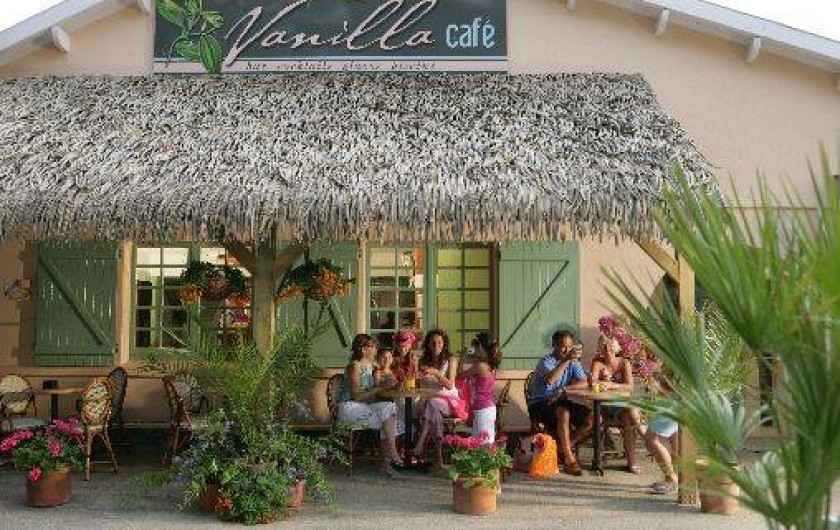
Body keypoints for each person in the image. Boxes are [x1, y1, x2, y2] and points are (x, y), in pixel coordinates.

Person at [337, 334, 404, 477]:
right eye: (373, 347)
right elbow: (356, 396)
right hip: (349, 408)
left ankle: (388, 461)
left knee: (391, 413)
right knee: (388, 418)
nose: (375, 350)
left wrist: (393, 385)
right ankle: (389, 460)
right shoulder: (354, 367)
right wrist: (379, 388)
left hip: (365, 407)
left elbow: (375, 393)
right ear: (363, 349)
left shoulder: (372, 366)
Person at [526, 330, 592, 476]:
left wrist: (564, 389)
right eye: (563, 346)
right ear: (554, 345)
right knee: (563, 412)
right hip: (540, 403)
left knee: (593, 418)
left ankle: (562, 448)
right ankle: (570, 460)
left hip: (561, 400)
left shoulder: (573, 362)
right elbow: (551, 380)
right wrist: (566, 360)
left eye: (569, 347)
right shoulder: (545, 361)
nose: (567, 350)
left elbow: (584, 382)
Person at [412, 328, 466, 470]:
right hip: (429, 402)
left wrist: (436, 373)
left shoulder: (451, 360)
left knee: (432, 405)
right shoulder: (424, 361)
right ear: (428, 345)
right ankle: (438, 458)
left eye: (439, 342)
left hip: (450, 402)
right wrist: (414, 369)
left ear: (444, 344)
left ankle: (421, 442)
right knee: (433, 411)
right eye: (433, 342)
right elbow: (417, 384)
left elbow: (450, 385)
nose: (436, 345)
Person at [590, 333, 643, 474]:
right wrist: (598, 379)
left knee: (629, 419)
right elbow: (592, 382)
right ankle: (643, 432)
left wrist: (611, 385)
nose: (608, 350)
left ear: (616, 348)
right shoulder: (598, 363)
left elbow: (630, 387)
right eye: (604, 347)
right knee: (631, 416)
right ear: (600, 349)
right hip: (604, 407)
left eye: (611, 347)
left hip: (622, 405)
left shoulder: (624, 363)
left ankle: (631, 463)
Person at [458, 332, 502, 444]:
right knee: (482, 445)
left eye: (477, 346)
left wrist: (461, 358)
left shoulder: (481, 366)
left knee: (482, 445)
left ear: (481, 347)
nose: (475, 349)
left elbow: (459, 376)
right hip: (486, 408)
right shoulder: (490, 365)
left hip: (483, 410)